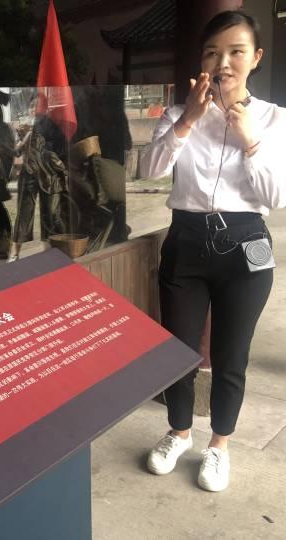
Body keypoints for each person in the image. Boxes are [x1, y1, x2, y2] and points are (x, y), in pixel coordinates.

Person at [140, 11, 285, 492]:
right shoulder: (178, 114)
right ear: (201, 61)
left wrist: (250, 139)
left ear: (255, 58)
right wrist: (188, 120)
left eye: (235, 51)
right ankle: (179, 432)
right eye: (212, 53)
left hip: (245, 246)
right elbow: (149, 171)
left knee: (230, 355)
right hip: (186, 241)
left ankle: (219, 445)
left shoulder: (275, 119)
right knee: (177, 350)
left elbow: (277, 197)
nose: (223, 62)